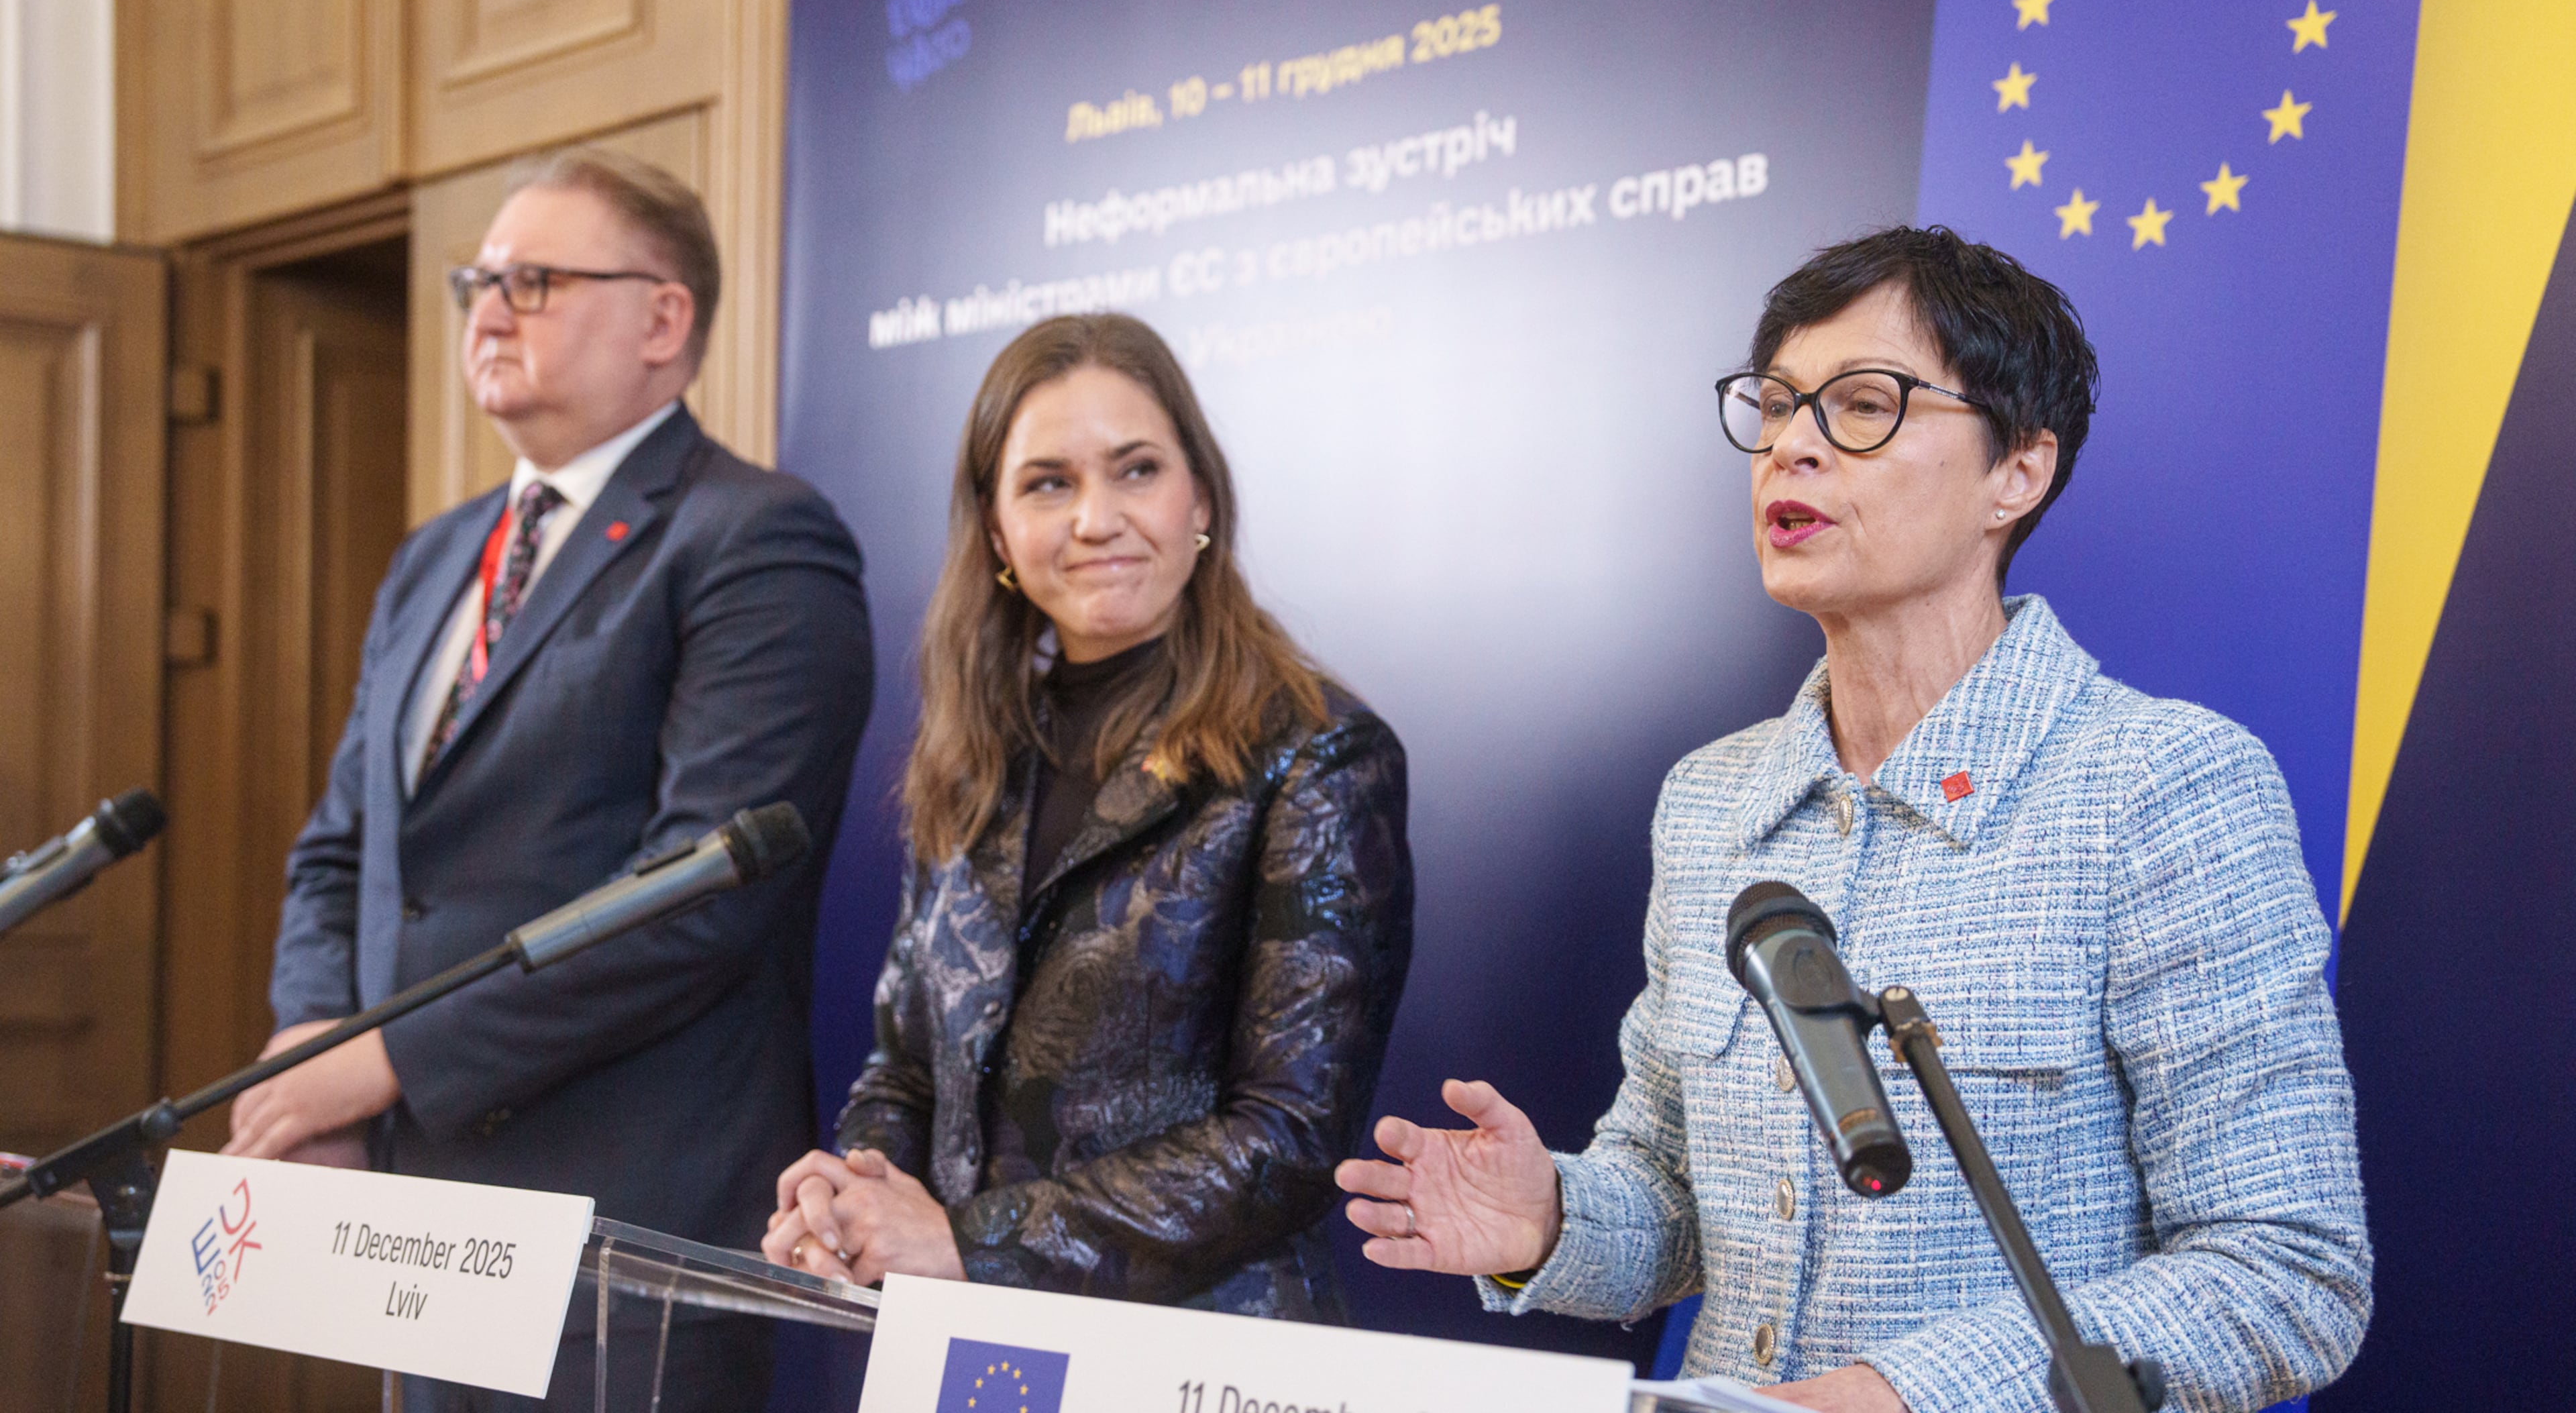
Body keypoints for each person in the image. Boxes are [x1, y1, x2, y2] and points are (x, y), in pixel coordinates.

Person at [1334, 227, 2370, 1412]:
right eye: (1774, 408)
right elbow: (1671, 1196)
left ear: (2016, 472)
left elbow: (2286, 1270)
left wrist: (1893, 1397)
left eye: (1863, 406)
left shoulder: (2163, 788)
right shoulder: (1712, 802)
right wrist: (1553, 1218)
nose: (1793, 449)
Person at [228, 147, 873, 1411]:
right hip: (418, 1219)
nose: (489, 308)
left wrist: (388, 1060)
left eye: (535, 278)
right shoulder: (437, 555)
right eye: (480, 279)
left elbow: (697, 893)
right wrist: (312, 1042)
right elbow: (347, 850)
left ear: (663, 317)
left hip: (629, 1224)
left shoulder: (753, 538)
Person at [761, 313, 1411, 1321]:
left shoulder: (1316, 752)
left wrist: (965, 1243)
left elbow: (1288, 1136)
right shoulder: (971, 752)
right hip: (969, 1345)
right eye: (1048, 482)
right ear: (995, 530)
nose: (1096, 517)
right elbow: (905, 1066)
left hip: (1200, 1357)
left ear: (1202, 495)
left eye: (1137, 470)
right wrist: (857, 1192)